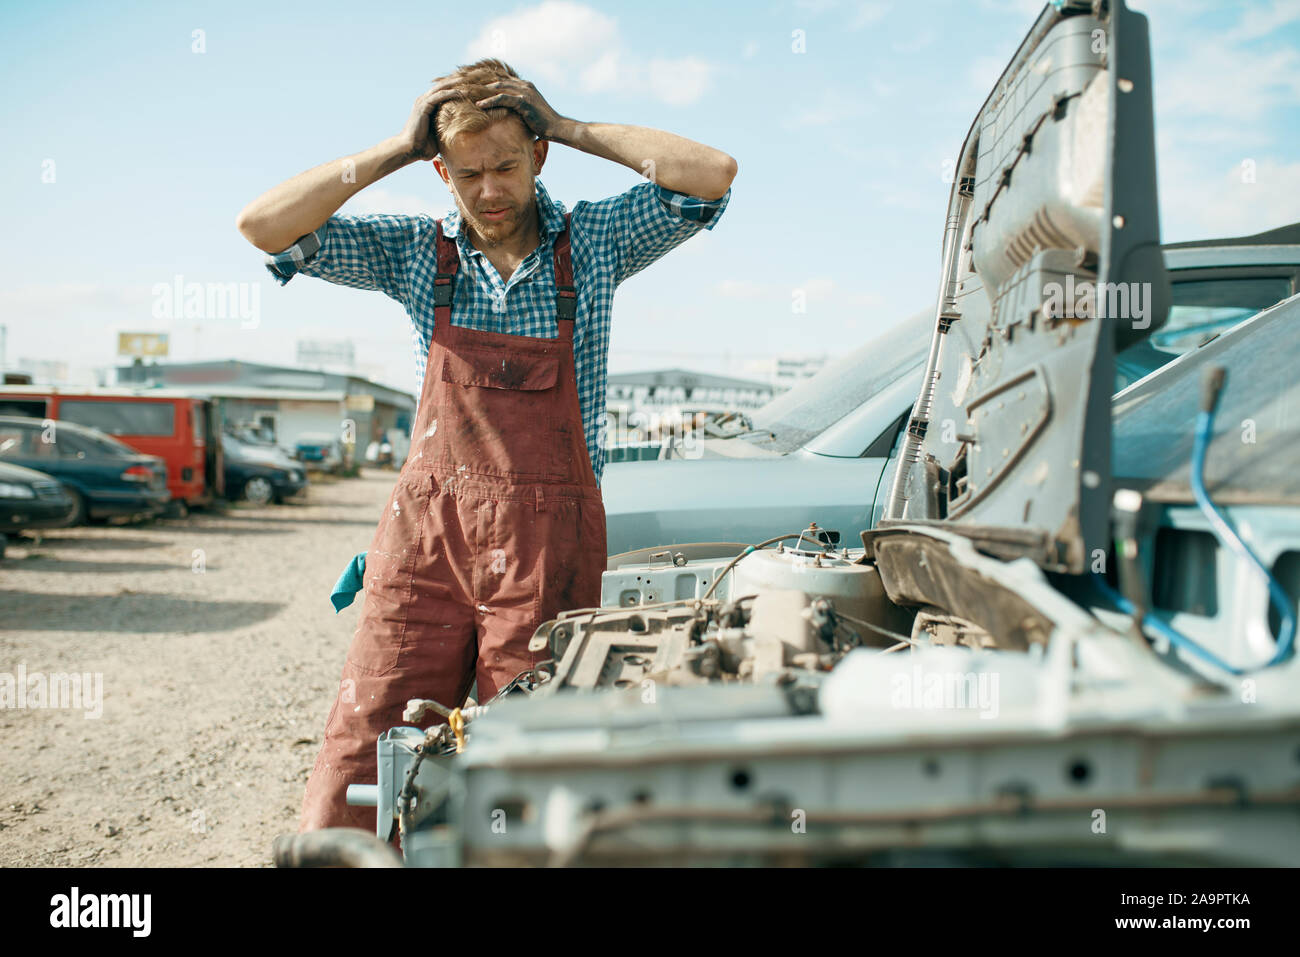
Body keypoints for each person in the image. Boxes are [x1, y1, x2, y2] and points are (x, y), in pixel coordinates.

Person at [236, 58, 736, 834]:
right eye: (467, 172)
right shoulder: (414, 253)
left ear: (538, 156)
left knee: (531, 761)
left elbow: (710, 175)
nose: (490, 190)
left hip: (548, 555)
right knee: (365, 744)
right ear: (440, 171)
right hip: (426, 551)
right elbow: (264, 225)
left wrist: (567, 124)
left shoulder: (594, 243)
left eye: (506, 165)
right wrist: (394, 149)